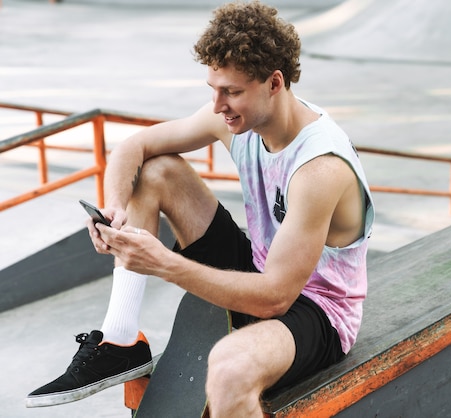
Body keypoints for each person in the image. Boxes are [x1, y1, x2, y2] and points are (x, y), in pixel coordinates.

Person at [26, 1, 374, 416]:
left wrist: (164, 265)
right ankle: (120, 339)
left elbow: (276, 299)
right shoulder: (234, 121)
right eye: (213, 88)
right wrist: (116, 209)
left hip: (314, 310)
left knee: (228, 370)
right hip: (258, 267)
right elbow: (133, 147)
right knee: (155, 172)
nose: (217, 105)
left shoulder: (320, 168)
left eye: (232, 91)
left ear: (274, 82)